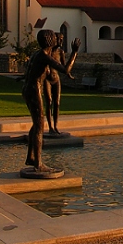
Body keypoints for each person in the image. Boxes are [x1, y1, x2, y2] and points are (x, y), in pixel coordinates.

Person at [22, 29, 80, 173]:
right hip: (34, 89)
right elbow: (65, 70)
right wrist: (74, 52)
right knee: (39, 126)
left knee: (36, 123)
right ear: (50, 40)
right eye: (54, 37)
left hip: (27, 89)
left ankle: (31, 157)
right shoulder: (44, 56)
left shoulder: (37, 53)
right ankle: (38, 164)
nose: (56, 38)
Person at [43, 32, 68, 134]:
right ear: (55, 40)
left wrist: (69, 74)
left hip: (56, 78)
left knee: (57, 103)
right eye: (59, 39)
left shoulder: (61, 52)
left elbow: (64, 67)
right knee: (49, 102)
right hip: (47, 79)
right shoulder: (47, 52)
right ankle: (50, 127)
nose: (61, 41)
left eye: (62, 39)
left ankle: (56, 126)